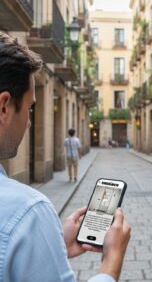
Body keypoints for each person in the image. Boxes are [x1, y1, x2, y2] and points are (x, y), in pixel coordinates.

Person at [0, 32, 131, 282]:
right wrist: (111, 262)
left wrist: (49, 244)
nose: (29, 121)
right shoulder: (27, 212)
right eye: (30, 107)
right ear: (4, 107)